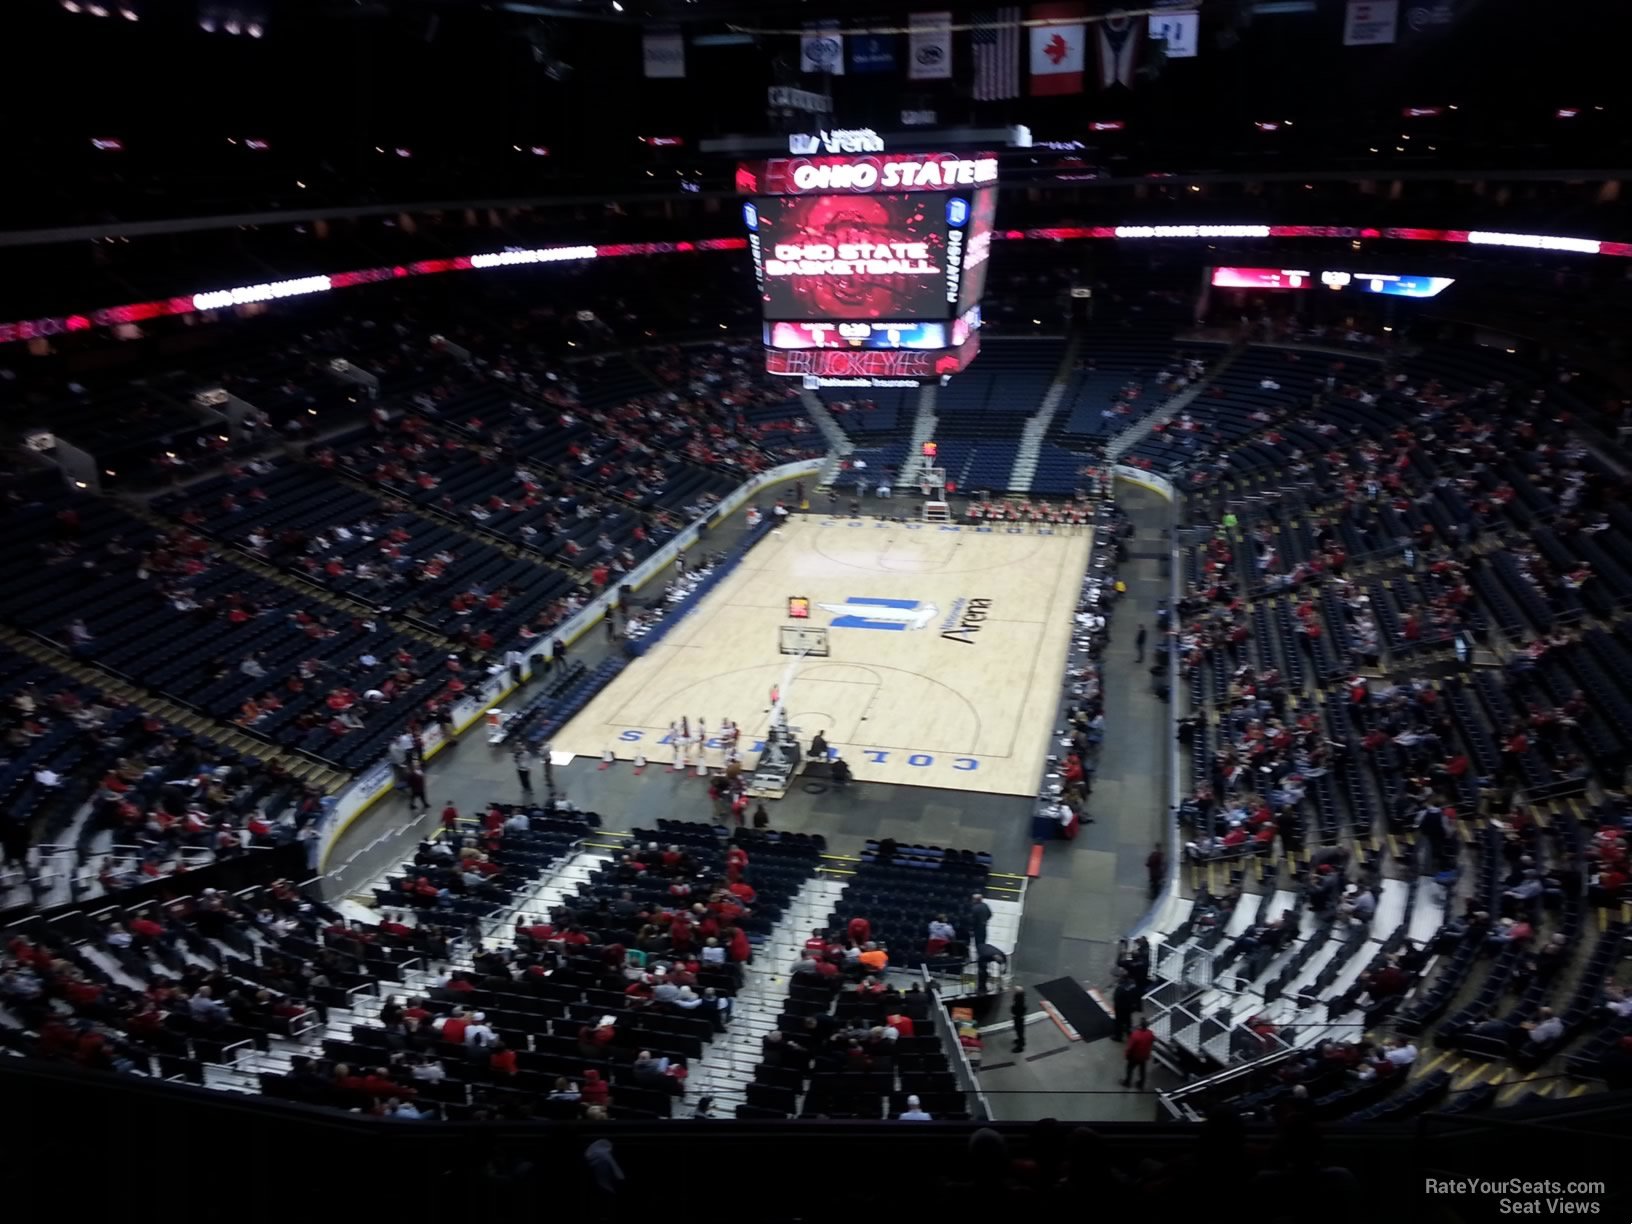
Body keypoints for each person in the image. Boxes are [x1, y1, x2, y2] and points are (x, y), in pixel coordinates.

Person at [1123, 1018, 1155, 1089]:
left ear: (1140, 1025)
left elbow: (1130, 1047)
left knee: (1130, 1069)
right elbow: (1153, 1040)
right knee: (1142, 1070)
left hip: (1135, 1056)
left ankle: (1127, 1082)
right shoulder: (1150, 1034)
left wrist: (1126, 1054)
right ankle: (1141, 1084)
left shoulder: (1135, 1035)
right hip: (1144, 1056)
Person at [1011, 985, 1028, 1053]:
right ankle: (1021, 1040)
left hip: (1018, 1018)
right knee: (1019, 1031)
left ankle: (1020, 1046)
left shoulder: (1019, 1003)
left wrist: (1013, 1010)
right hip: (1019, 1017)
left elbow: (1014, 1010)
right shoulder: (1021, 1000)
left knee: (1019, 1031)